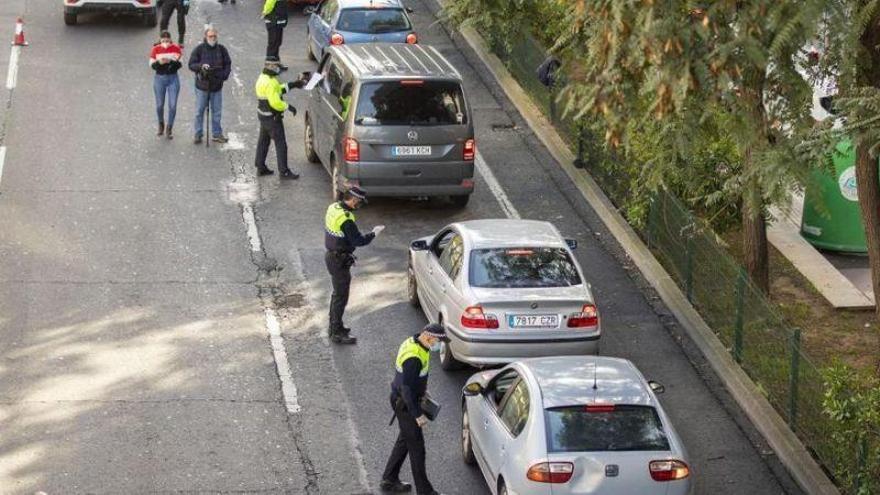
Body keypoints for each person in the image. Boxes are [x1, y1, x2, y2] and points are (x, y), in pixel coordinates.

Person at [381, 324, 447, 495]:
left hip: (403, 401)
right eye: (439, 341)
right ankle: (425, 492)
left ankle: (389, 479)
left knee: (405, 440)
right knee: (417, 448)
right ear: (428, 337)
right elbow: (406, 389)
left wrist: (423, 390)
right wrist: (417, 415)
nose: (440, 345)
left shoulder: (415, 343)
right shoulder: (414, 357)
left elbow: (410, 381)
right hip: (406, 405)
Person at [324, 187, 384, 344]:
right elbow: (358, 241)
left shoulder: (334, 207)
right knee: (340, 297)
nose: (360, 205)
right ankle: (336, 332)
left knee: (338, 295)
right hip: (339, 260)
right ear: (353, 200)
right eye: (359, 202)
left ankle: (336, 326)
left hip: (333, 256)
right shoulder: (346, 219)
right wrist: (374, 233)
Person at [255, 57, 304, 179]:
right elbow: (275, 102)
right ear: (271, 67)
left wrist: (293, 85)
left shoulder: (263, 77)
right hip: (272, 118)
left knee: (263, 141)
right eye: (277, 66)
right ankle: (284, 171)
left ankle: (260, 167)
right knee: (281, 143)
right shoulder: (270, 82)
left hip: (263, 115)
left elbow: (278, 90)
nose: (279, 69)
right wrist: (288, 106)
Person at [188, 26, 231, 144]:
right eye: (210, 36)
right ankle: (198, 134)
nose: (212, 38)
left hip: (217, 86)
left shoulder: (222, 49)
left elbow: (228, 64)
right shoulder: (199, 49)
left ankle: (217, 134)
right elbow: (191, 64)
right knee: (199, 111)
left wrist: (224, 75)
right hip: (202, 86)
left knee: (217, 112)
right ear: (205, 37)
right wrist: (201, 66)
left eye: (214, 36)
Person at [150, 31, 183, 140]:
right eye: (163, 41)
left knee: (172, 105)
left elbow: (180, 64)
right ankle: (161, 123)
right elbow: (152, 65)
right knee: (159, 105)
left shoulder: (176, 48)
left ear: (170, 40)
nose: (165, 43)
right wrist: (159, 62)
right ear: (160, 40)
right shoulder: (156, 49)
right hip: (159, 78)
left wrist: (171, 61)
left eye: (167, 40)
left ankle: (169, 127)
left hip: (173, 78)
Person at [261, 0, 289, 70]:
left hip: (278, 20)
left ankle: (276, 62)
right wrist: (265, 12)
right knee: (273, 42)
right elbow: (269, 3)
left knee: (277, 42)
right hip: (273, 20)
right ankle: (270, 65)